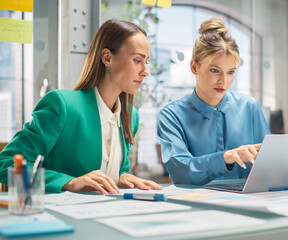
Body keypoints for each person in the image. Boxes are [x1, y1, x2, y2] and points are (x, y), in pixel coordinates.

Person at [0, 19, 162, 194]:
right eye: (137, 60)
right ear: (107, 57)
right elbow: (6, 162)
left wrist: (122, 176)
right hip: (60, 216)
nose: (145, 71)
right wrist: (69, 182)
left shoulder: (131, 116)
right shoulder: (62, 105)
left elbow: (113, 169)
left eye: (146, 61)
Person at [157, 18, 271, 185]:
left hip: (246, 203)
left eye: (231, 72)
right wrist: (225, 158)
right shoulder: (172, 116)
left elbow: (270, 164)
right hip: (196, 208)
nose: (223, 81)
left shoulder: (250, 107)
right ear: (194, 67)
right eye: (215, 70)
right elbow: (181, 172)